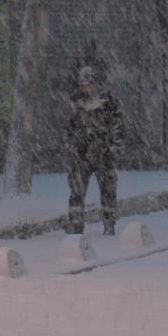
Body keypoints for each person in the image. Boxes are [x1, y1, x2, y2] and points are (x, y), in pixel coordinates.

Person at [65, 65, 124, 235]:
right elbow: (69, 126)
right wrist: (71, 145)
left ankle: (109, 223)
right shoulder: (76, 101)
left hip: (104, 152)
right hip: (81, 153)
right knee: (77, 189)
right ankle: (76, 223)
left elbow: (118, 125)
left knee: (108, 189)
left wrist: (114, 146)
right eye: (82, 85)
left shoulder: (108, 101)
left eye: (88, 84)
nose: (85, 88)